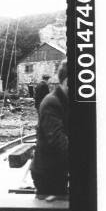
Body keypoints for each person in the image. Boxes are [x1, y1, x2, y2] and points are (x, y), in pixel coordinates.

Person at [31, 60, 68, 197]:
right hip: (47, 171)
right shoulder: (52, 101)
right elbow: (59, 142)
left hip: (60, 168)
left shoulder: (67, 100)